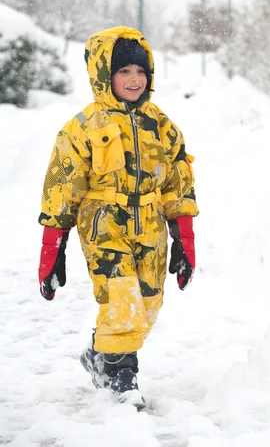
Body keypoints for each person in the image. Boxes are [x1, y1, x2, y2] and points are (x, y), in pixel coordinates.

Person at [38, 27, 199, 407]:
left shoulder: (161, 125)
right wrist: (53, 250)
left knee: (147, 302)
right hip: (102, 220)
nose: (134, 79)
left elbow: (178, 184)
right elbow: (61, 188)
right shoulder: (83, 127)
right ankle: (120, 376)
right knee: (121, 297)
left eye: (140, 72)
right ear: (103, 75)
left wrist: (184, 240)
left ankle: (98, 353)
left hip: (151, 221)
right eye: (124, 71)